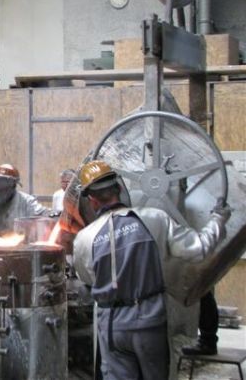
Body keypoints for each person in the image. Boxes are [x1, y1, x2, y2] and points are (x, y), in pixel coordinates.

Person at [72, 160, 230, 380]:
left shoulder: (84, 238)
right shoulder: (156, 219)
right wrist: (218, 219)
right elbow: (199, 249)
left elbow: (87, 278)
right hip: (150, 322)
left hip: (111, 326)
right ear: (119, 188)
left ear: (91, 200)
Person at [0, 163, 48, 235]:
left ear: (14, 184)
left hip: (22, 241)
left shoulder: (27, 201)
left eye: (4, 183)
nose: (0, 187)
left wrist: (54, 214)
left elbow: (44, 215)